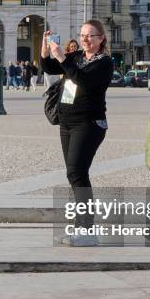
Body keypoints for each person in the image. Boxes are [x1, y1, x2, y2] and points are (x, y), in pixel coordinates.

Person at [41, 20, 113, 247]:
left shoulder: (104, 63)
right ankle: (80, 225)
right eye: (82, 35)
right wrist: (45, 49)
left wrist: (63, 58)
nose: (85, 39)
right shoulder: (78, 57)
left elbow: (84, 81)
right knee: (74, 174)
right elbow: (50, 68)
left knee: (77, 173)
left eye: (90, 36)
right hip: (67, 123)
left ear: (101, 38)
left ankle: (87, 229)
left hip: (89, 123)